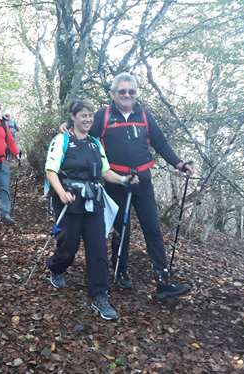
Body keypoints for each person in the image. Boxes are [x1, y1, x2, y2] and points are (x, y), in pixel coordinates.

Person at [60, 73, 194, 300]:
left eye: (131, 91)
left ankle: (163, 281)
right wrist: (67, 127)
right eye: (122, 91)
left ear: (136, 94)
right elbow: (85, 135)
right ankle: (120, 271)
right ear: (113, 94)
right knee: (122, 228)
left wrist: (179, 163)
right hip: (116, 181)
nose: (127, 95)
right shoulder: (103, 116)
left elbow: (160, 142)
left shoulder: (144, 115)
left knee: (152, 228)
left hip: (143, 180)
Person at [46, 99, 138, 321]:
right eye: (83, 115)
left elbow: (106, 172)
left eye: (90, 116)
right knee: (68, 245)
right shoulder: (62, 140)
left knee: (97, 248)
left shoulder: (96, 143)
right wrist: (61, 193)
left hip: (93, 201)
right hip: (69, 201)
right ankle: (57, 268)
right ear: (74, 116)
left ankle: (100, 296)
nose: (87, 119)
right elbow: (51, 170)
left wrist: (124, 180)